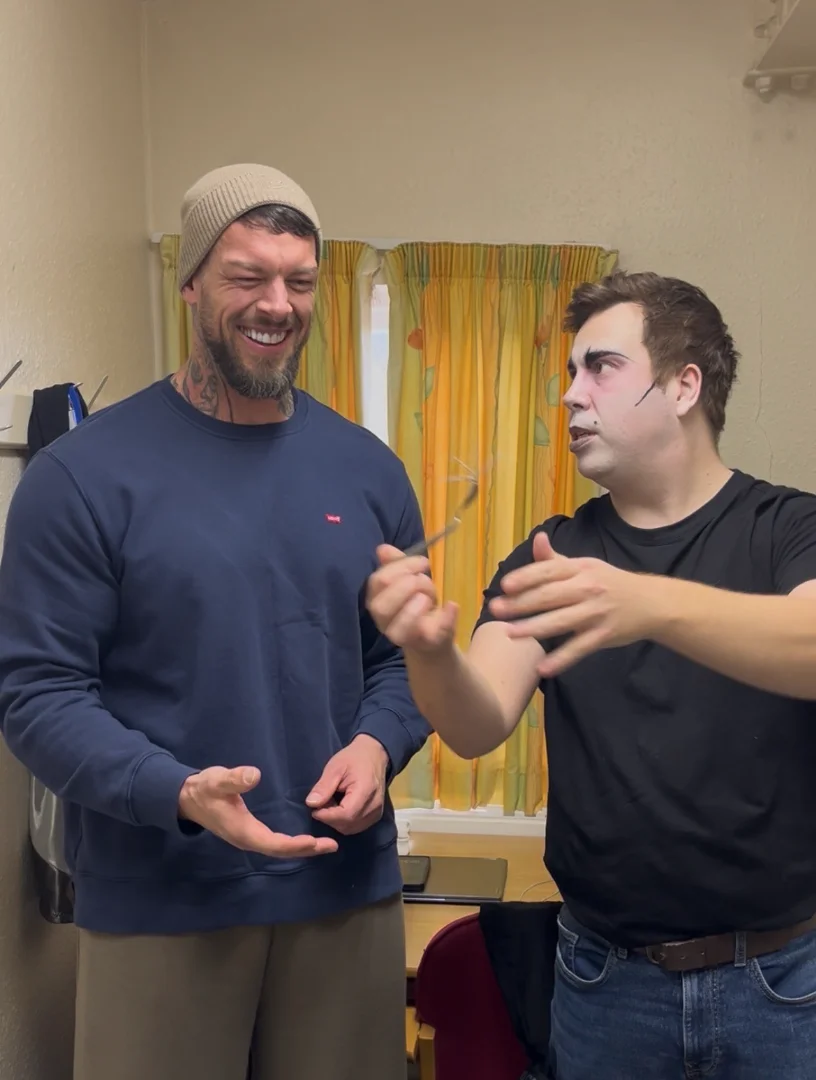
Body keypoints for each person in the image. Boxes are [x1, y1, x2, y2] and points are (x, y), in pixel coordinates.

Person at [0, 163, 430, 1080]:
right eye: (247, 276)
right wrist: (177, 791)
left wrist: (378, 745)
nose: (277, 304)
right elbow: (37, 693)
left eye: (300, 281)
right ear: (190, 281)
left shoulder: (367, 470)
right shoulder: (81, 477)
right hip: (161, 897)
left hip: (343, 892)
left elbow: (403, 660)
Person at [366, 270, 816, 1079]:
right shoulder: (555, 553)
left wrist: (647, 604)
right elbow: (474, 724)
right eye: (570, 372)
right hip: (606, 986)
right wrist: (428, 652)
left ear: (684, 386)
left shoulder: (789, 528)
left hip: (782, 985)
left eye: (601, 367)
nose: (571, 395)